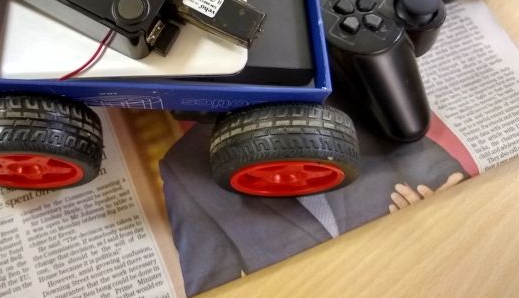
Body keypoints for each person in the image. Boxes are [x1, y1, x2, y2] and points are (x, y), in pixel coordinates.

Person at [159, 117, 467, 296]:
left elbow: (452, 179)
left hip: (428, 270)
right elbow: (212, 287)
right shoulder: (183, 166)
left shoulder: (350, 88)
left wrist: (439, 215)